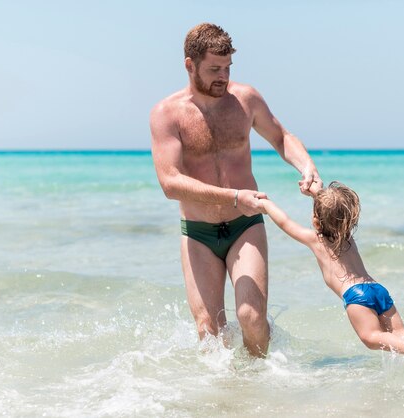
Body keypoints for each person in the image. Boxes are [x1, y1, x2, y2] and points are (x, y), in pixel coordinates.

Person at [150, 23, 322, 358]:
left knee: (251, 317)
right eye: (214, 69)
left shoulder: (246, 100)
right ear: (189, 65)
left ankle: (261, 386)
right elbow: (170, 182)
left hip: (245, 225)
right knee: (209, 332)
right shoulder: (166, 114)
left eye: (228, 68)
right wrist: (232, 196)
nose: (223, 77)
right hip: (198, 233)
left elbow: (281, 137)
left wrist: (307, 166)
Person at [258, 182, 404, 373]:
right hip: (376, 288)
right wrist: (316, 194)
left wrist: (266, 205)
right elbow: (334, 210)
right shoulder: (346, 234)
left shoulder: (316, 240)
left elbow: (285, 223)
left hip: (355, 294)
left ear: (316, 222)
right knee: (400, 332)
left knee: (371, 338)